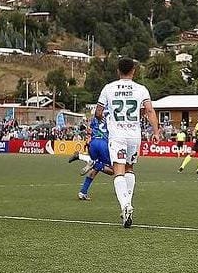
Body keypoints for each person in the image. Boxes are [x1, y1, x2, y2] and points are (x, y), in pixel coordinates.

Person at [96, 57, 160, 228]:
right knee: (130, 168)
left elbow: (98, 112)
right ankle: (128, 204)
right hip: (134, 135)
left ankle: (125, 205)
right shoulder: (141, 89)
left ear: (118, 71)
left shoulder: (108, 88)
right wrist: (156, 131)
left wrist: (105, 121)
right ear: (134, 71)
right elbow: (149, 110)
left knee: (118, 170)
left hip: (117, 134)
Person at [68, 114, 113, 200]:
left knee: (95, 170)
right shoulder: (112, 117)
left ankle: (83, 192)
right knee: (112, 170)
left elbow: (90, 130)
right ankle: (83, 158)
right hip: (104, 144)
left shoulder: (96, 117)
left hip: (93, 143)